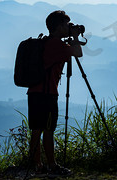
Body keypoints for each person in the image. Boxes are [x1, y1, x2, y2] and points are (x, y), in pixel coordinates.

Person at [27, 10, 82, 175]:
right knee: (48, 130)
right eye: (66, 25)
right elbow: (78, 53)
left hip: (34, 92)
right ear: (58, 27)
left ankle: (36, 166)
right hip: (47, 94)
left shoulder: (46, 42)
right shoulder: (57, 45)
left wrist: (71, 37)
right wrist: (75, 38)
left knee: (36, 131)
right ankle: (52, 166)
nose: (68, 27)